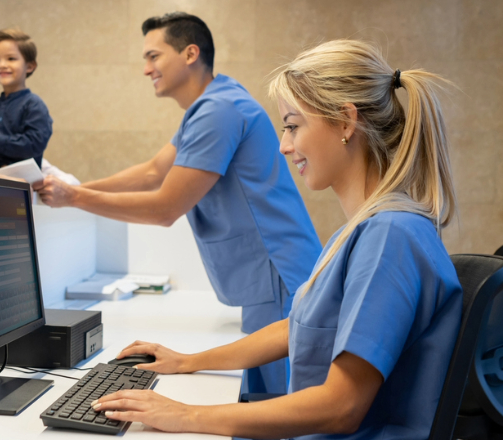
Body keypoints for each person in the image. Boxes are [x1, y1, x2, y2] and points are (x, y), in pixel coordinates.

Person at [91, 39, 463, 440]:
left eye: (292, 126)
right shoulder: (367, 228)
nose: (284, 146)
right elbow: (299, 327)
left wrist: (187, 415)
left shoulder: (389, 236)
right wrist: (189, 361)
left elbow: (342, 406)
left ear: (345, 121)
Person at [35, 12, 321, 395]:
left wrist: (75, 198)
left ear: (189, 53)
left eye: (153, 56)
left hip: (279, 272)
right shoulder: (210, 104)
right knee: (263, 396)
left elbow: (164, 207)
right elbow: (154, 172)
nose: (146, 69)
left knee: (279, 403)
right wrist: (74, 187)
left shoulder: (219, 110)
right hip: (270, 275)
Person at [0, 28, 53, 171]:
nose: (2, 65)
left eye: (11, 58)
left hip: (23, 182)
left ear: (30, 66)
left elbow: (36, 143)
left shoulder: (34, 105)